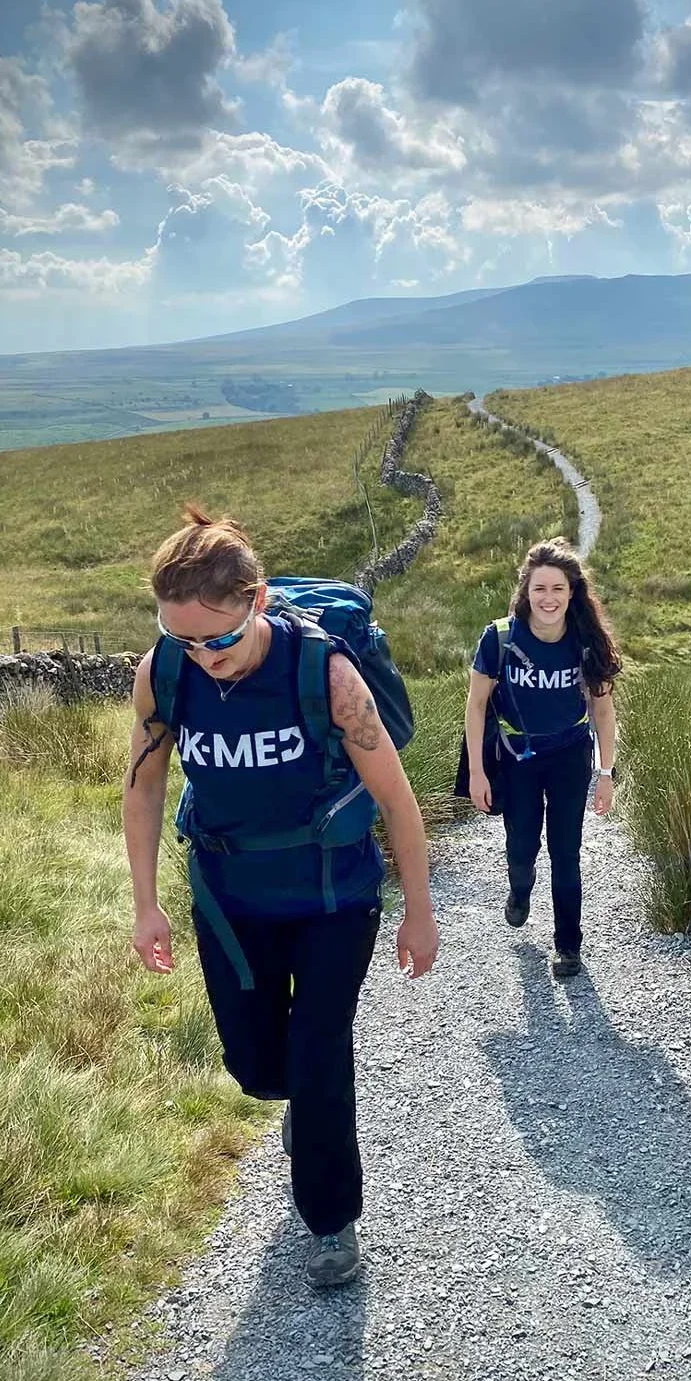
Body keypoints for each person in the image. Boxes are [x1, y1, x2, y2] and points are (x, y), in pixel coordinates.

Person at [122, 506, 438, 1289]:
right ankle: (295, 1100)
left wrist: (422, 912)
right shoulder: (165, 673)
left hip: (335, 900)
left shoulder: (325, 674)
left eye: (218, 639)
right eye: (184, 640)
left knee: (320, 1051)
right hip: (231, 900)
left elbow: (397, 802)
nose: (203, 658)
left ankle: (331, 1223)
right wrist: (145, 905)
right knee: (258, 1067)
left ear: (256, 601)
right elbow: (144, 788)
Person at [464, 537, 621, 980]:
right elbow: (476, 705)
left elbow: (603, 710)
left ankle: (568, 946)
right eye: (539, 589)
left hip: (570, 754)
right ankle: (520, 888)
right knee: (521, 845)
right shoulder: (498, 639)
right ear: (525, 592)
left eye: (558, 589)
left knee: (566, 851)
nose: (548, 599)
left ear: (572, 593)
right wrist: (477, 771)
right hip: (518, 756)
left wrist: (605, 773)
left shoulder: (587, 643)